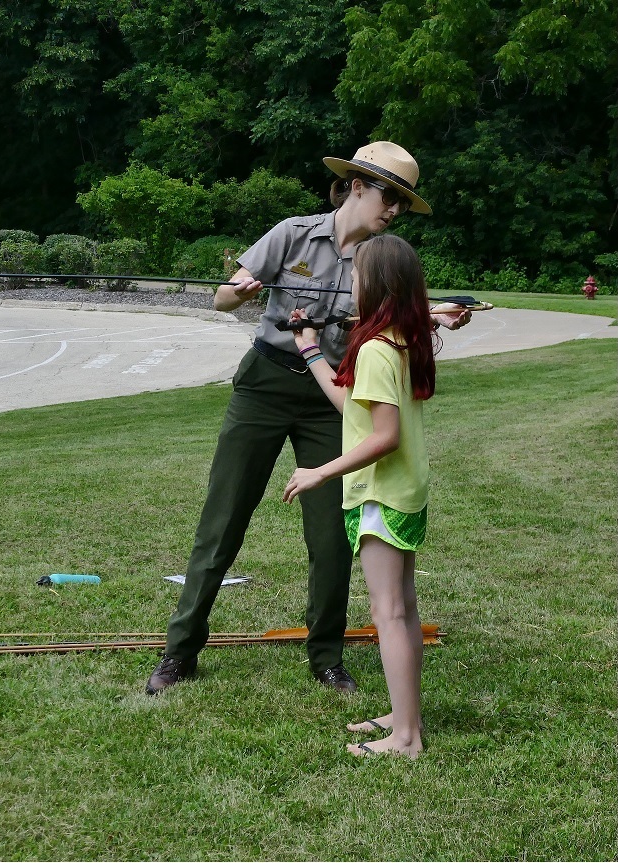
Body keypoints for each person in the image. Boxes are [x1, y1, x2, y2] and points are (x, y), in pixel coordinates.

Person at [146, 141, 469, 696]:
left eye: (401, 203)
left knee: (331, 536)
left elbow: (396, 310)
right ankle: (180, 652)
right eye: (389, 197)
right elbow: (223, 298)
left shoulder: (382, 253)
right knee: (222, 521)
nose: (393, 211)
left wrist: (435, 313)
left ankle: (326, 656)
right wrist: (237, 291)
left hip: (334, 393)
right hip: (265, 383)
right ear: (359, 185)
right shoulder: (294, 233)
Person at [283, 233, 433, 758]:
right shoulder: (400, 339)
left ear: (376, 284)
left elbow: (382, 435)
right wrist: (308, 348)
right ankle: (403, 714)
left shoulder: (373, 348)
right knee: (403, 609)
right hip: (404, 490)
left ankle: (406, 738)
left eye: (357, 275)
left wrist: (319, 473)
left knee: (387, 611)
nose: (351, 283)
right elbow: (355, 407)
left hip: (381, 494)